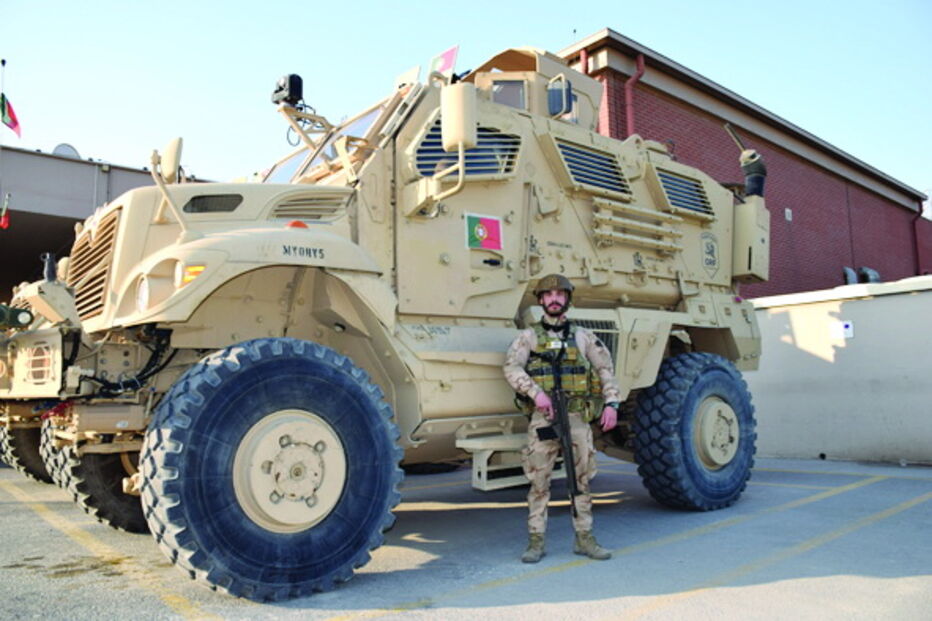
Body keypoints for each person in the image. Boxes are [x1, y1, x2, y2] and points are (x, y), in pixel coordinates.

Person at [503, 273, 622, 563]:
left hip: (577, 417)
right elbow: (511, 368)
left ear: (567, 299)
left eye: (560, 294)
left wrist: (612, 404)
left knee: (581, 481)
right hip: (544, 418)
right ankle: (536, 541)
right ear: (541, 300)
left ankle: (584, 538)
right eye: (548, 295)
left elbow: (605, 369)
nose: (554, 299)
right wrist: (536, 394)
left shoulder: (583, 336)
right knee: (539, 482)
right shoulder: (529, 337)